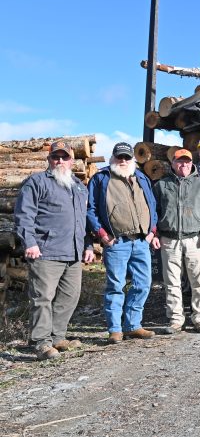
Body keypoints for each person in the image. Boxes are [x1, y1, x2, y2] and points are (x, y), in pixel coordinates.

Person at [15, 141, 94, 360]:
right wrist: (29, 242)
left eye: (64, 157)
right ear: (49, 159)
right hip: (45, 251)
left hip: (74, 252)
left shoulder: (79, 186)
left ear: (71, 160)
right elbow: (24, 215)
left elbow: (82, 221)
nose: (60, 161)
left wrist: (88, 245)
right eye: (55, 157)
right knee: (42, 297)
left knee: (70, 296)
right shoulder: (36, 182)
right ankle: (41, 342)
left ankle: (57, 337)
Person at [86, 142, 157, 344]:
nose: (123, 161)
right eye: (120, 157)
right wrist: (101, 233)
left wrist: (152, 230)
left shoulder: (141, 176)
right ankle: (115, 329)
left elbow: (151, 204)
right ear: (113, 157)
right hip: (116, 242)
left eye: (127, 157)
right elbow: (90, 209)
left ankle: (133, 325)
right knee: (116, 286)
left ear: (133, 158)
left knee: (143, 284)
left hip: (141, 241)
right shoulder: (101, 178)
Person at [152, 149, 200, 334]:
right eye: (180, 162)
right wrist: (155, 233)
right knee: (171, 282)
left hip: (195, 239)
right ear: (173, 163)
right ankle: (175, 319)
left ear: (192, 164)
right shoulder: (161, 185)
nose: (184, 165)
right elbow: (153, 212)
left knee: (199, 281)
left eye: (187, 162)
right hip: (169, 239)